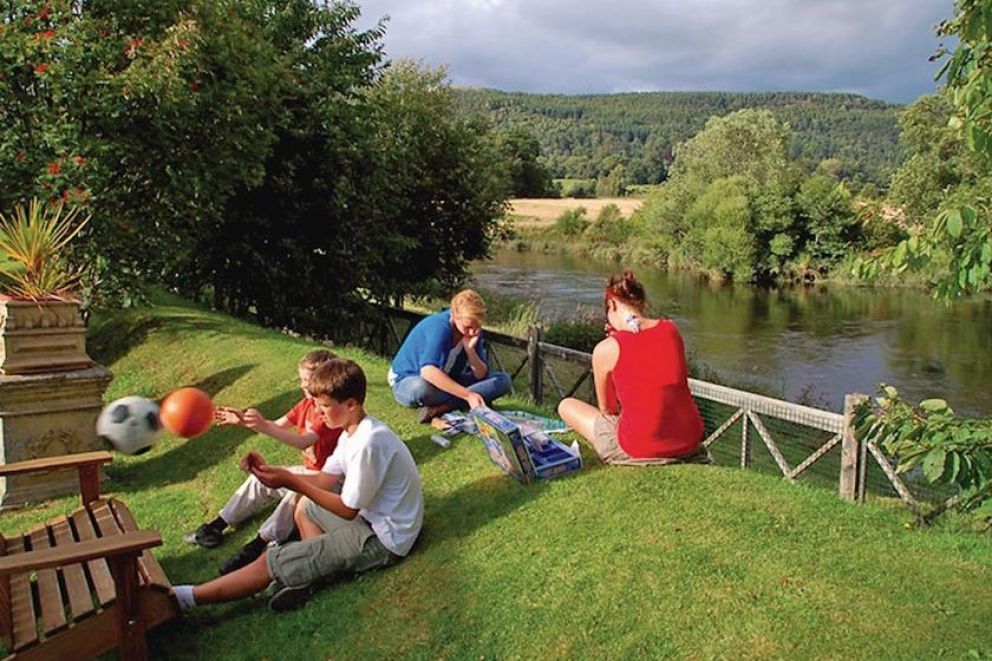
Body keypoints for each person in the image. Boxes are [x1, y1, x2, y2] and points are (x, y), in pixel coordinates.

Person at [172, 358, 424, 613]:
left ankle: (184, 598)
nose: (318, 411)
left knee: (270, 561)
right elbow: (325, 480)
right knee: (304, 506)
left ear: (350, 404)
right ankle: (312, 573)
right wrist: (272, 473)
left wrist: (292, 481)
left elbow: (348, 509)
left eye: (324, 405)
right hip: (371, 522)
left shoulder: (368, 442)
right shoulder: (352, 431)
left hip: (384, 540)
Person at [183, 349, 342, 575]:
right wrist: (243, 421)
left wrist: (262, 426)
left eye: (307, 380)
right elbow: (278, 424)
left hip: (331, 484)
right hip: (309, 472)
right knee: (262, 476)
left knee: (294, 492)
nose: (302, 385)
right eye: (302, 380)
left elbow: (302, 441)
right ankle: (216, 526)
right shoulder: (306, 405)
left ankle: (259, 544)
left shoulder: (328, 411)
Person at [557, 269, 707, 465]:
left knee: (566, 405)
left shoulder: (606, 349)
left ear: (611, 305)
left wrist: (612, 342)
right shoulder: (671, 329)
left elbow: (607, 410)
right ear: (642, 304)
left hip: (642, 447)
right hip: (688, 440)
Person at [389, 289, 511, 427]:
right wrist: (468, 395)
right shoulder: (439, 327)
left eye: (477, 326)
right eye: (468, 327)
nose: (472, 332)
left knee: (503, 381)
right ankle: (464, 401)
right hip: (408, 380)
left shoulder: (473, 330)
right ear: (455, 315)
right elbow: (428, 371)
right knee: (421, 388)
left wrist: (470, 350)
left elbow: (481, 375)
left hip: (448, 378)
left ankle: (440, 408)